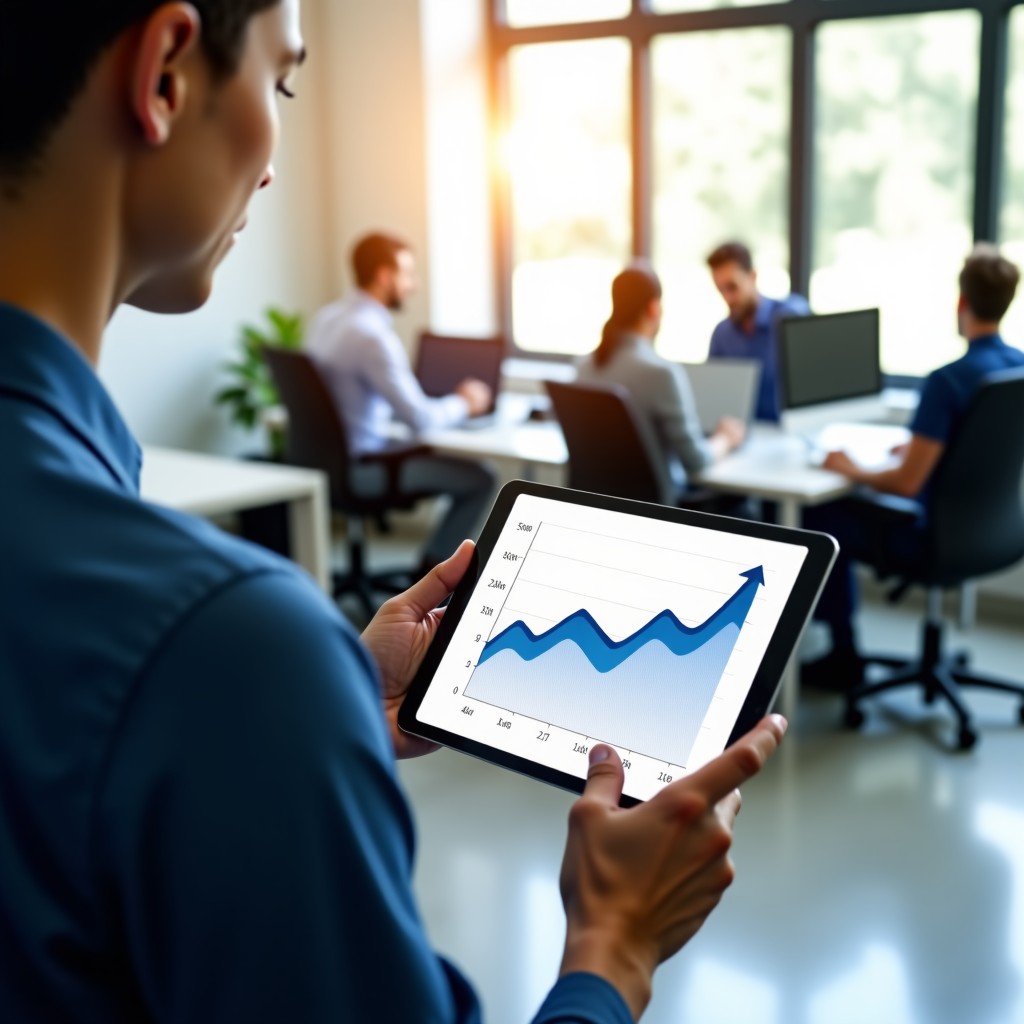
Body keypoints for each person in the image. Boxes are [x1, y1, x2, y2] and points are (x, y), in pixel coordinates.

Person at [0, 2, 787, 1021]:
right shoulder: (217, 645)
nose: (275, 162)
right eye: (282, 84)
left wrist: (323, 709)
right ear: (164, 76)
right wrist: (614, 946)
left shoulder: (200, 656)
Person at [803, 243, 1024, 690]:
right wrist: (922, 447)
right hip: (997, 532)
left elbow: (906, 485)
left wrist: (851, 469)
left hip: (930, 539)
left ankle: (843, 655)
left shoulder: (947, 381)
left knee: (819, 517)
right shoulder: (1016, 367)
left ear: (961, 303)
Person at [308, 232, 496, 570]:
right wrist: (465, 403)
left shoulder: (327, 319)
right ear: (385, 276)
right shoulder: (372, 335)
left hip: (327, 465)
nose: (414, 284)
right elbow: (420, 419)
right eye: (408, 274)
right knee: (481, 478)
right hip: (366, 470)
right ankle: (432, 576)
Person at [577, 263, 746, 500]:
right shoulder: (661, 374)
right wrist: (725, 439)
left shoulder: (583, 367)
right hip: (654, 511)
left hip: (595, 505)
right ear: (654, 309)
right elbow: (696, 462)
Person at [707, 240, 810, 423]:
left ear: (752, 276)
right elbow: (714, 396)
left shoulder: (788, 316)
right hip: (746, 435)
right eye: (720, 290)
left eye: (732, 287)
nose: (727, 298)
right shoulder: (722, 334)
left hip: (789, 431)